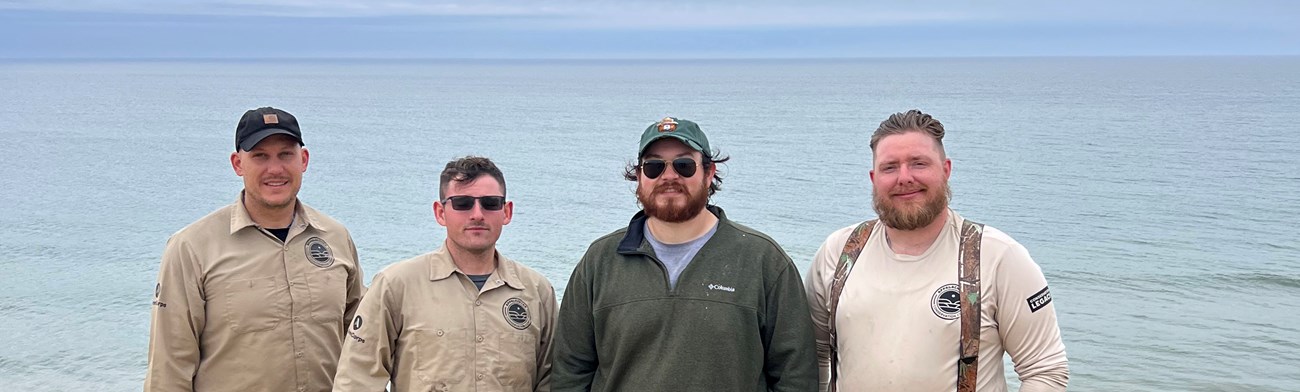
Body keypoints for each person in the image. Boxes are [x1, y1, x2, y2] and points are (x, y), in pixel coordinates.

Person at [805, 109, 1069, 392]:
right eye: (890, 167)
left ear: (946, 170)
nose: (904, 178)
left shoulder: (998, 258)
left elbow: (1045, 371)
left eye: (918, 163)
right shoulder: (839, 253)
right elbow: (812, 359)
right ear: (873, 178)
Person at [551, 117, 818, 391]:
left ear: (709, 172)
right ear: (640, 176)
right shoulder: (600, 261)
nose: (669, 176)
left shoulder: (764, 261)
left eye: (684, 165)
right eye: (654, 166)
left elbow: (796, 377)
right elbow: (570, 373)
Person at [145, 107, 365, 392]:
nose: (275, 169)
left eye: (286, 154)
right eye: (260, 156)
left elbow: (362, 342)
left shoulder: (336, 237)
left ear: (304, 160)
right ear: (238, 164)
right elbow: (169, 366)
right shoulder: (191, 247)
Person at [333, 156, 557, 392]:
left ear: (506, 212)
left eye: (491, 203)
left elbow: (553, 380)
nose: (477, 214)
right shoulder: (396, 285)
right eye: (462, 203)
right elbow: (357, 380)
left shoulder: (537, 292)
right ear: (440, 212)